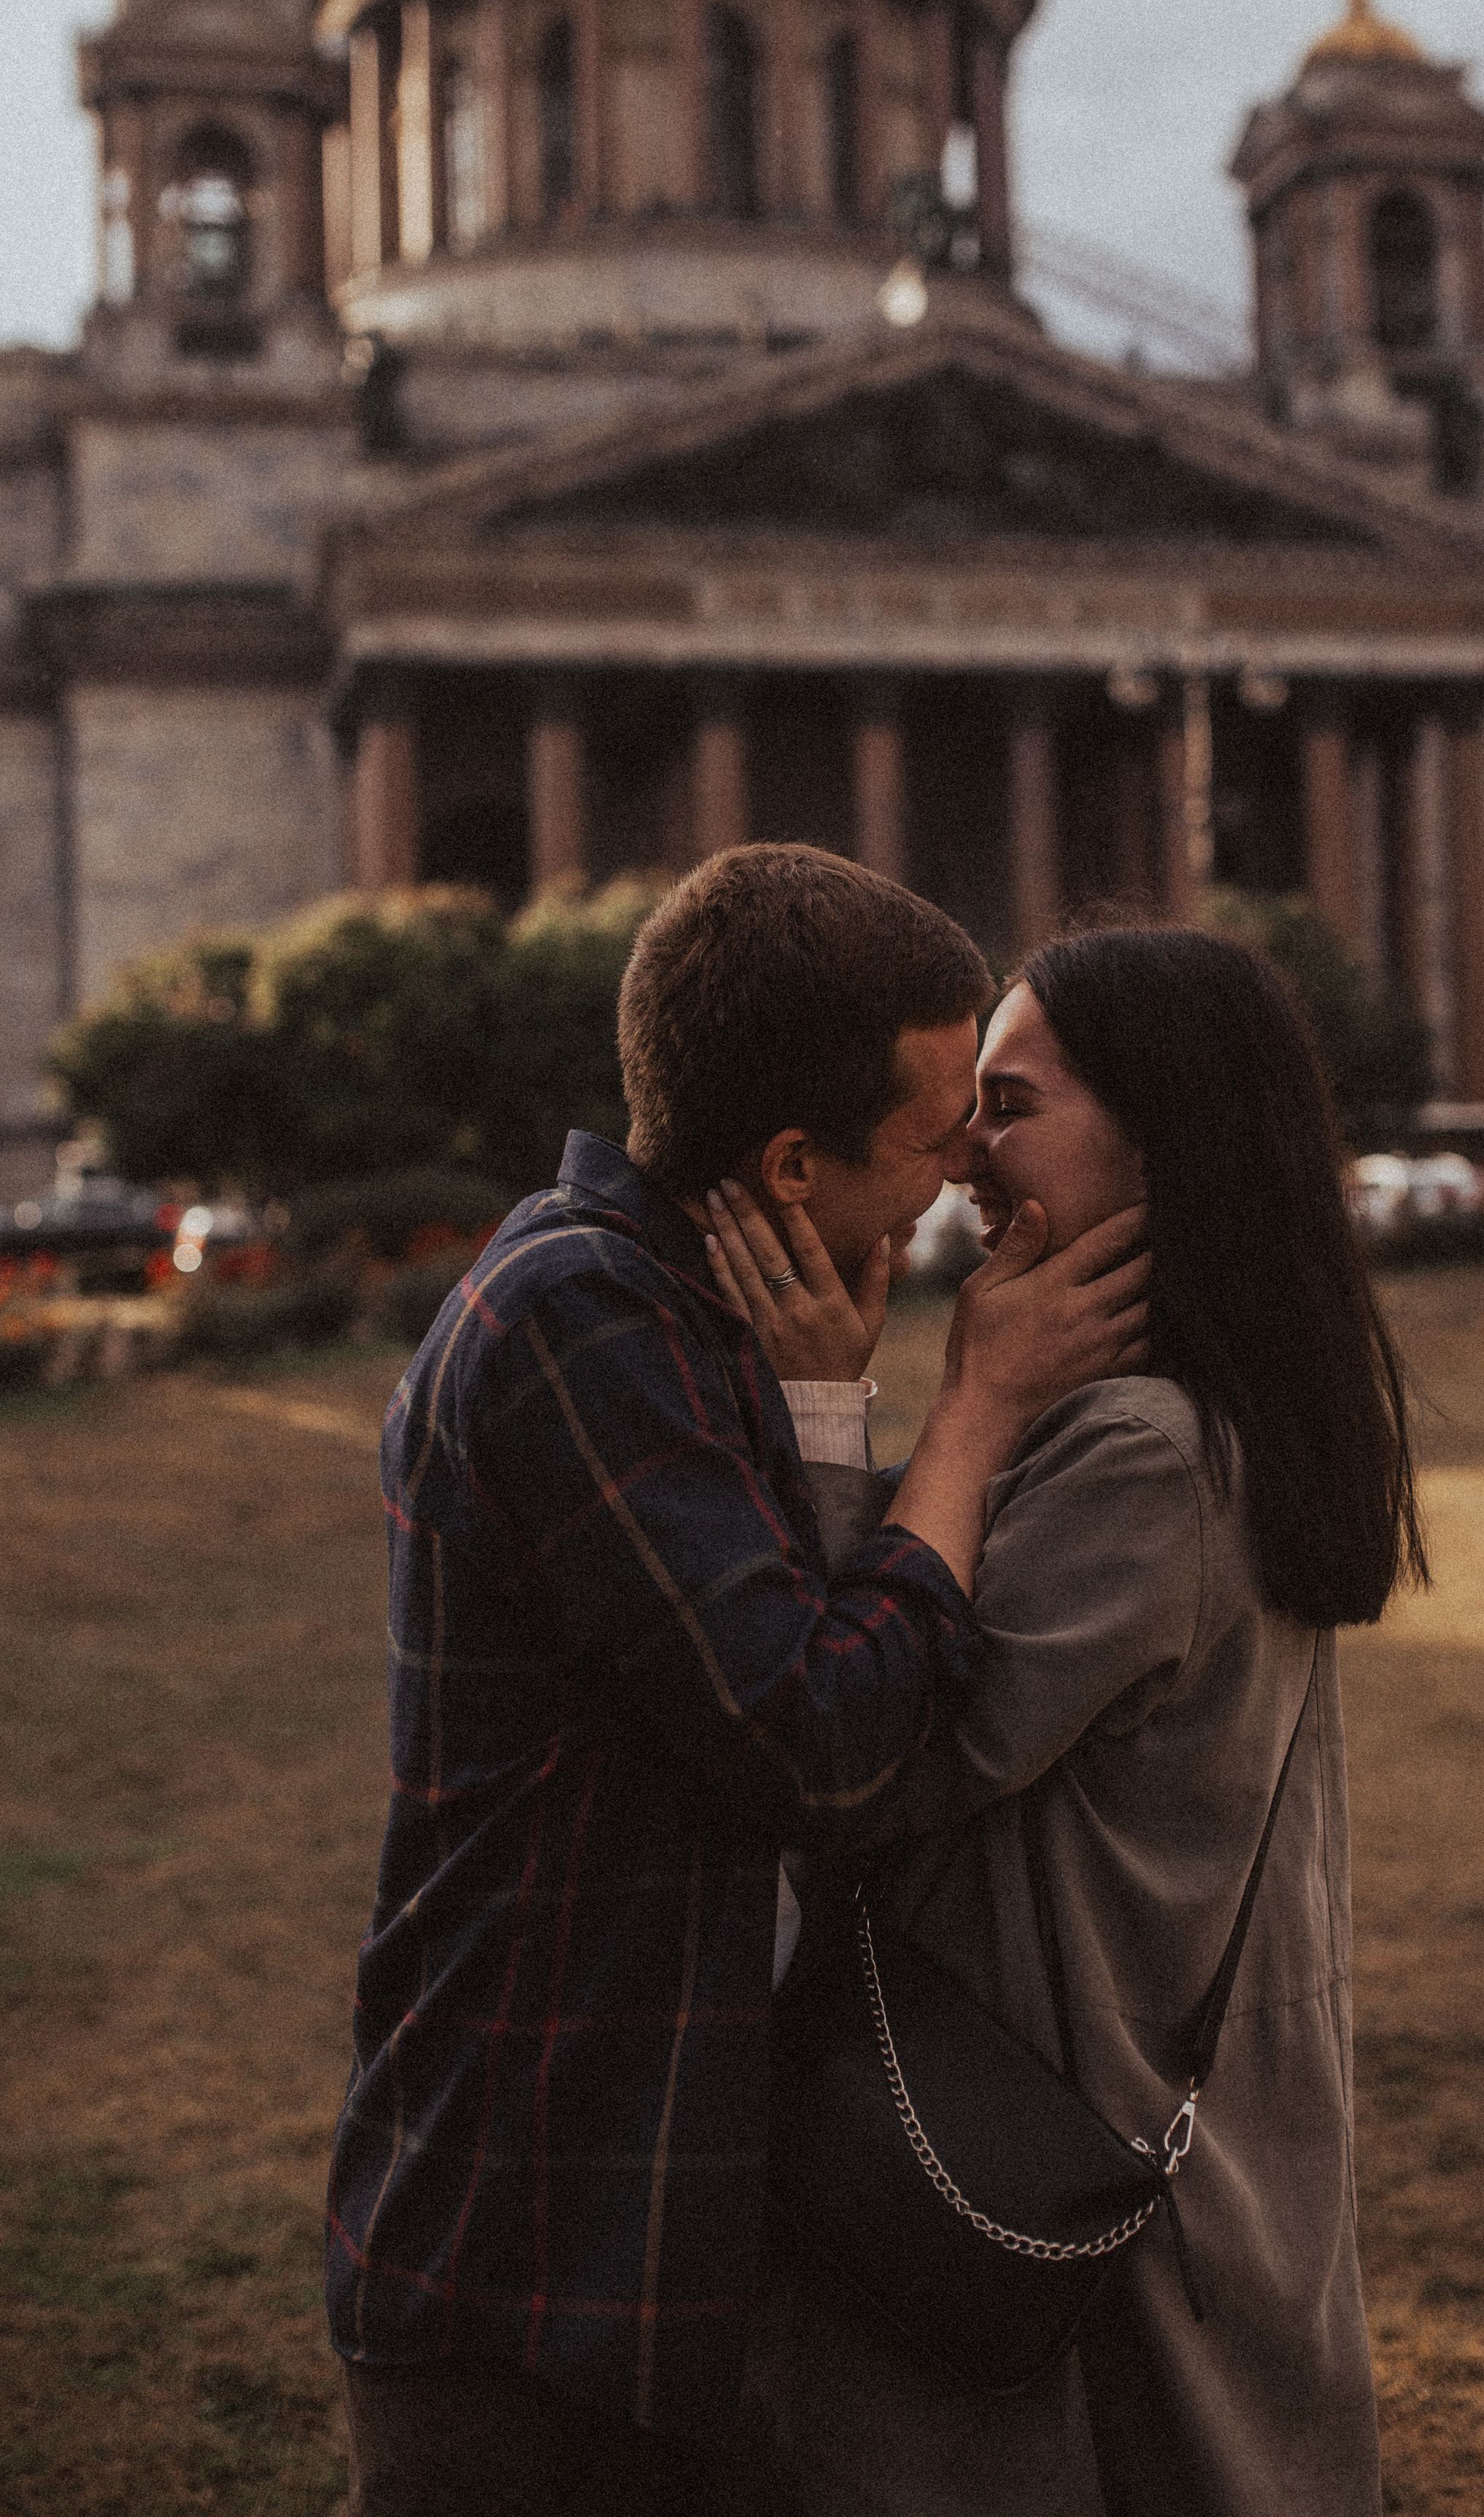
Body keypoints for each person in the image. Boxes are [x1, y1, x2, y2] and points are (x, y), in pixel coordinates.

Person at [326, 846, 1149, 2517]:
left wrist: (830, 1418)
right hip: (538, 2251)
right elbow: (824, 1741)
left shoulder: (687, 1319)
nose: (958, 1176)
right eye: (934, 1134)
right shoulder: (579, 1319)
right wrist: (974, 1415)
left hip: (664, 2215)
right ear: (789, 1163)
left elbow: (788, 1651)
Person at [710, 922, 1425, 2517]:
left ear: (1160, 1140)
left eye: (1009, 1102)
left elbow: (860, 1749)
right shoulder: (1202, 1414)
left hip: (1031, 2144)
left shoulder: (1143, 1456)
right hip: (1145, 2128)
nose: (965, 1145)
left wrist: (850, 1417)